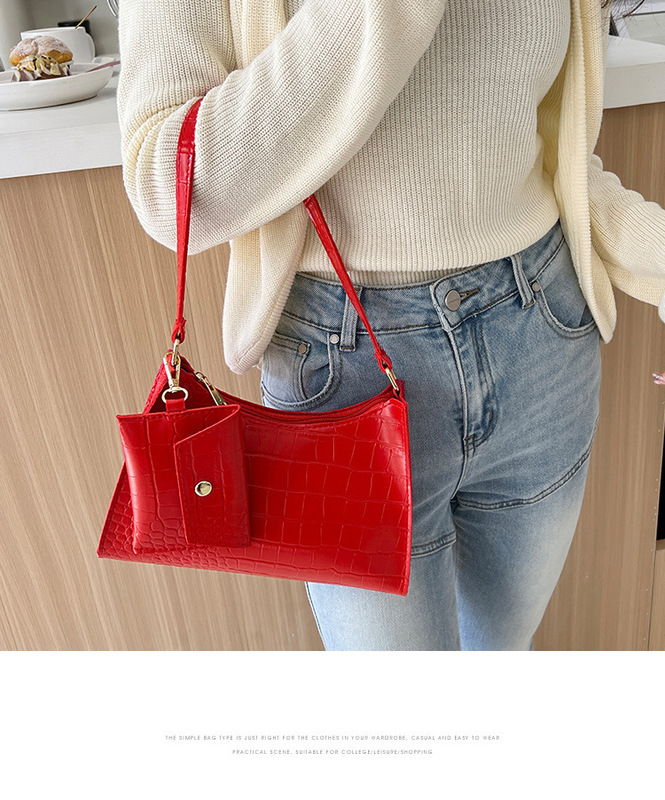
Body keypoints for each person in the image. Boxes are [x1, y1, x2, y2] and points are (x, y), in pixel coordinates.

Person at [117, 0, 665, 650]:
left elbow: (551, 156)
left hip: (540, 339)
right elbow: (166, 186)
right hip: (340, 374)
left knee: (498, 662)